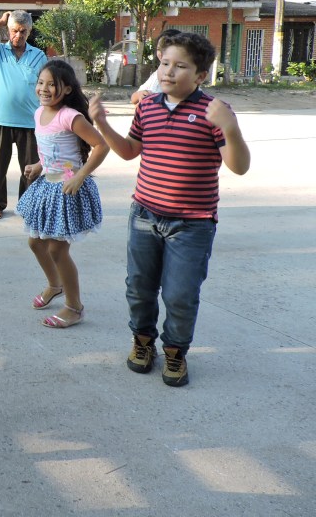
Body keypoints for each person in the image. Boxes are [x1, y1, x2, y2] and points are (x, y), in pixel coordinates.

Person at [90, 32, 251, 387]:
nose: (168, 71)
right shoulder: (147, 106)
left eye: (180, 66)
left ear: (200, 75)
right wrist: (101, 123)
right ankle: (142, 341)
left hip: (192, 225)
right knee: (139, 287)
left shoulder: (214, 111)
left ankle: (175, 351)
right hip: (144, 215)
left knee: (180, 294)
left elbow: (239, 167)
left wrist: (231, 128)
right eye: (164, 64)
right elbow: (129, 151)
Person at [17, 60, 109, 329]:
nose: (44, 89)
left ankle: (74, 307)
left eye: (52, 84)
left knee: (57, 249)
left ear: (67, 89)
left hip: (68, 188)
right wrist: (38, 165)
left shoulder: (70, 116)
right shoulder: (39, 113)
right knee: (35, 243)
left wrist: (80, 176)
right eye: (40, 83)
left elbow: (101, 146)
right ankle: (55, 284)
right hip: (48, 185)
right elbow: (53, 150)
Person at [0, 10, 47, 219]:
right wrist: (0, 22)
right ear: (8, 31)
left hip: (30, 122)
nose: (18, 35)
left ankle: (28, 204)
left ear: (29, 32)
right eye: (14, 30)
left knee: (30, 169)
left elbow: (47, 84)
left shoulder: (39, 56)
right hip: (0, 121)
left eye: (23, 31)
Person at [131, 28, 182, 105]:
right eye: (158, 49)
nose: (161, 53)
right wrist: (140, 94)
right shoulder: (157, 73)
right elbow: (134, 98)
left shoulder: (182, 76)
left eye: (166, 49)